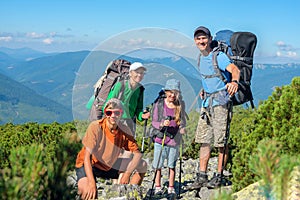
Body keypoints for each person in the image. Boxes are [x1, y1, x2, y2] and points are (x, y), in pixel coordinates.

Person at [190, 26, 240, 189]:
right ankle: (202, 175)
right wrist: (205, 90)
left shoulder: (219, 56)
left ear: (210, 39)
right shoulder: (200, 58)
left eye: (204, 38)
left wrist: (234, 82)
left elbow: (235, 70)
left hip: (221, 101)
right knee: (204, 140)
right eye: (198, 39)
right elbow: (210, 77)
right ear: (195, 41)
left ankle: (218, 175)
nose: (201, 41)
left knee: (220, 141)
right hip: (207, 104)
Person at [75, 98, 148, 200]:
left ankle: (129, 196)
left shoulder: (124, 130)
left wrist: (127, 174)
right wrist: (92, 184)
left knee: (142, 165)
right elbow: (87, 157)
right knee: (89, 193)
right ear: (105, 113)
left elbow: (137, 154)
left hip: (109, 164)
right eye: (109, 112)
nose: (113, 116)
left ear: (121, 114)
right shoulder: (96, 127)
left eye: (117, 113)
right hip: (89, 164)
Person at [151, 79, 186, 196]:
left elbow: (182, 121)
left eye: (175, 92)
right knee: (158, 165)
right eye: (170, 92)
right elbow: (154, 122)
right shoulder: (159, 104)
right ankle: (158, 186)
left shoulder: (179, 105)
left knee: (172, 165)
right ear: (165, 92)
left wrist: (182, 127)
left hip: (174, 141)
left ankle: (171, 187)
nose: (172, 95)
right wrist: (161, 124)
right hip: (160, 139)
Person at [105, 61, 150, 137]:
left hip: (130, 122)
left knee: (128, 147)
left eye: (142, 73)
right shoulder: (120, 85)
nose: (139, 75)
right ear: (130, 73)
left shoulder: (140, 89)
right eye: (137, 72)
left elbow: (138, 109)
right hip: (116, 121)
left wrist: (142, 116)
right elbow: (107, 104)